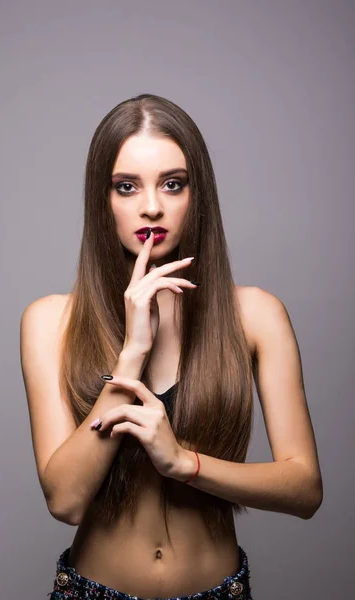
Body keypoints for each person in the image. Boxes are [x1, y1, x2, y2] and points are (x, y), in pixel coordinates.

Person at [20, 93, 323, 600]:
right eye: (126, 186)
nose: (152, 206)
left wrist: (185, 463)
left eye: (172, 184)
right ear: (102, 200)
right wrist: (133, 350)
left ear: (196, 195)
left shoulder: (255, 314)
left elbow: (305, 490)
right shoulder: (50, 320)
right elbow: (66, 502)